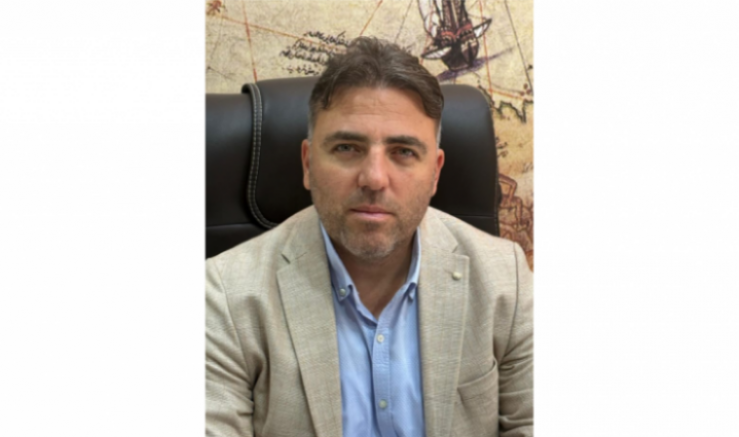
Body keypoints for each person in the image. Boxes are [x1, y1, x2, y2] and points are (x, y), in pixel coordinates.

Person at [206, 37, 533, 437]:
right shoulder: (225, 296)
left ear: (435, 173)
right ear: (308, 164)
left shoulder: (505, 280)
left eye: (403, 152)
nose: (374, 178)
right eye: (347, 147)